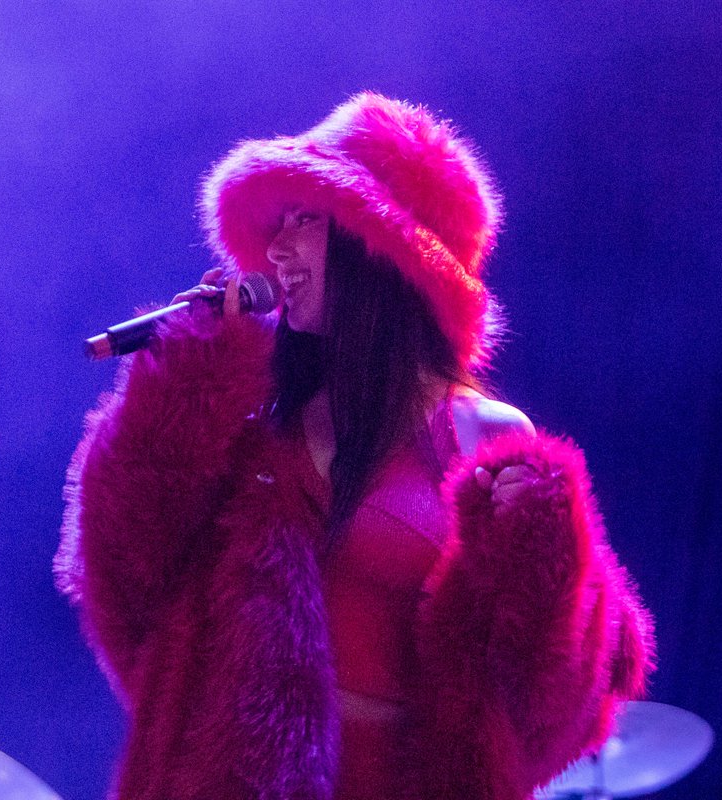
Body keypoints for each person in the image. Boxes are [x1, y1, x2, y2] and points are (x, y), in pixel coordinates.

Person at [55, 92, 654, 800]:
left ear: (384, 250)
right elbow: (125, 576)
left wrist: (543, 559)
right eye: (276, 222)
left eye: (306, 218)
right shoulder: (255, 419)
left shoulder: (484, 436)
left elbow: (553, 703)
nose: (276, 248)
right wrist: (181, 384)